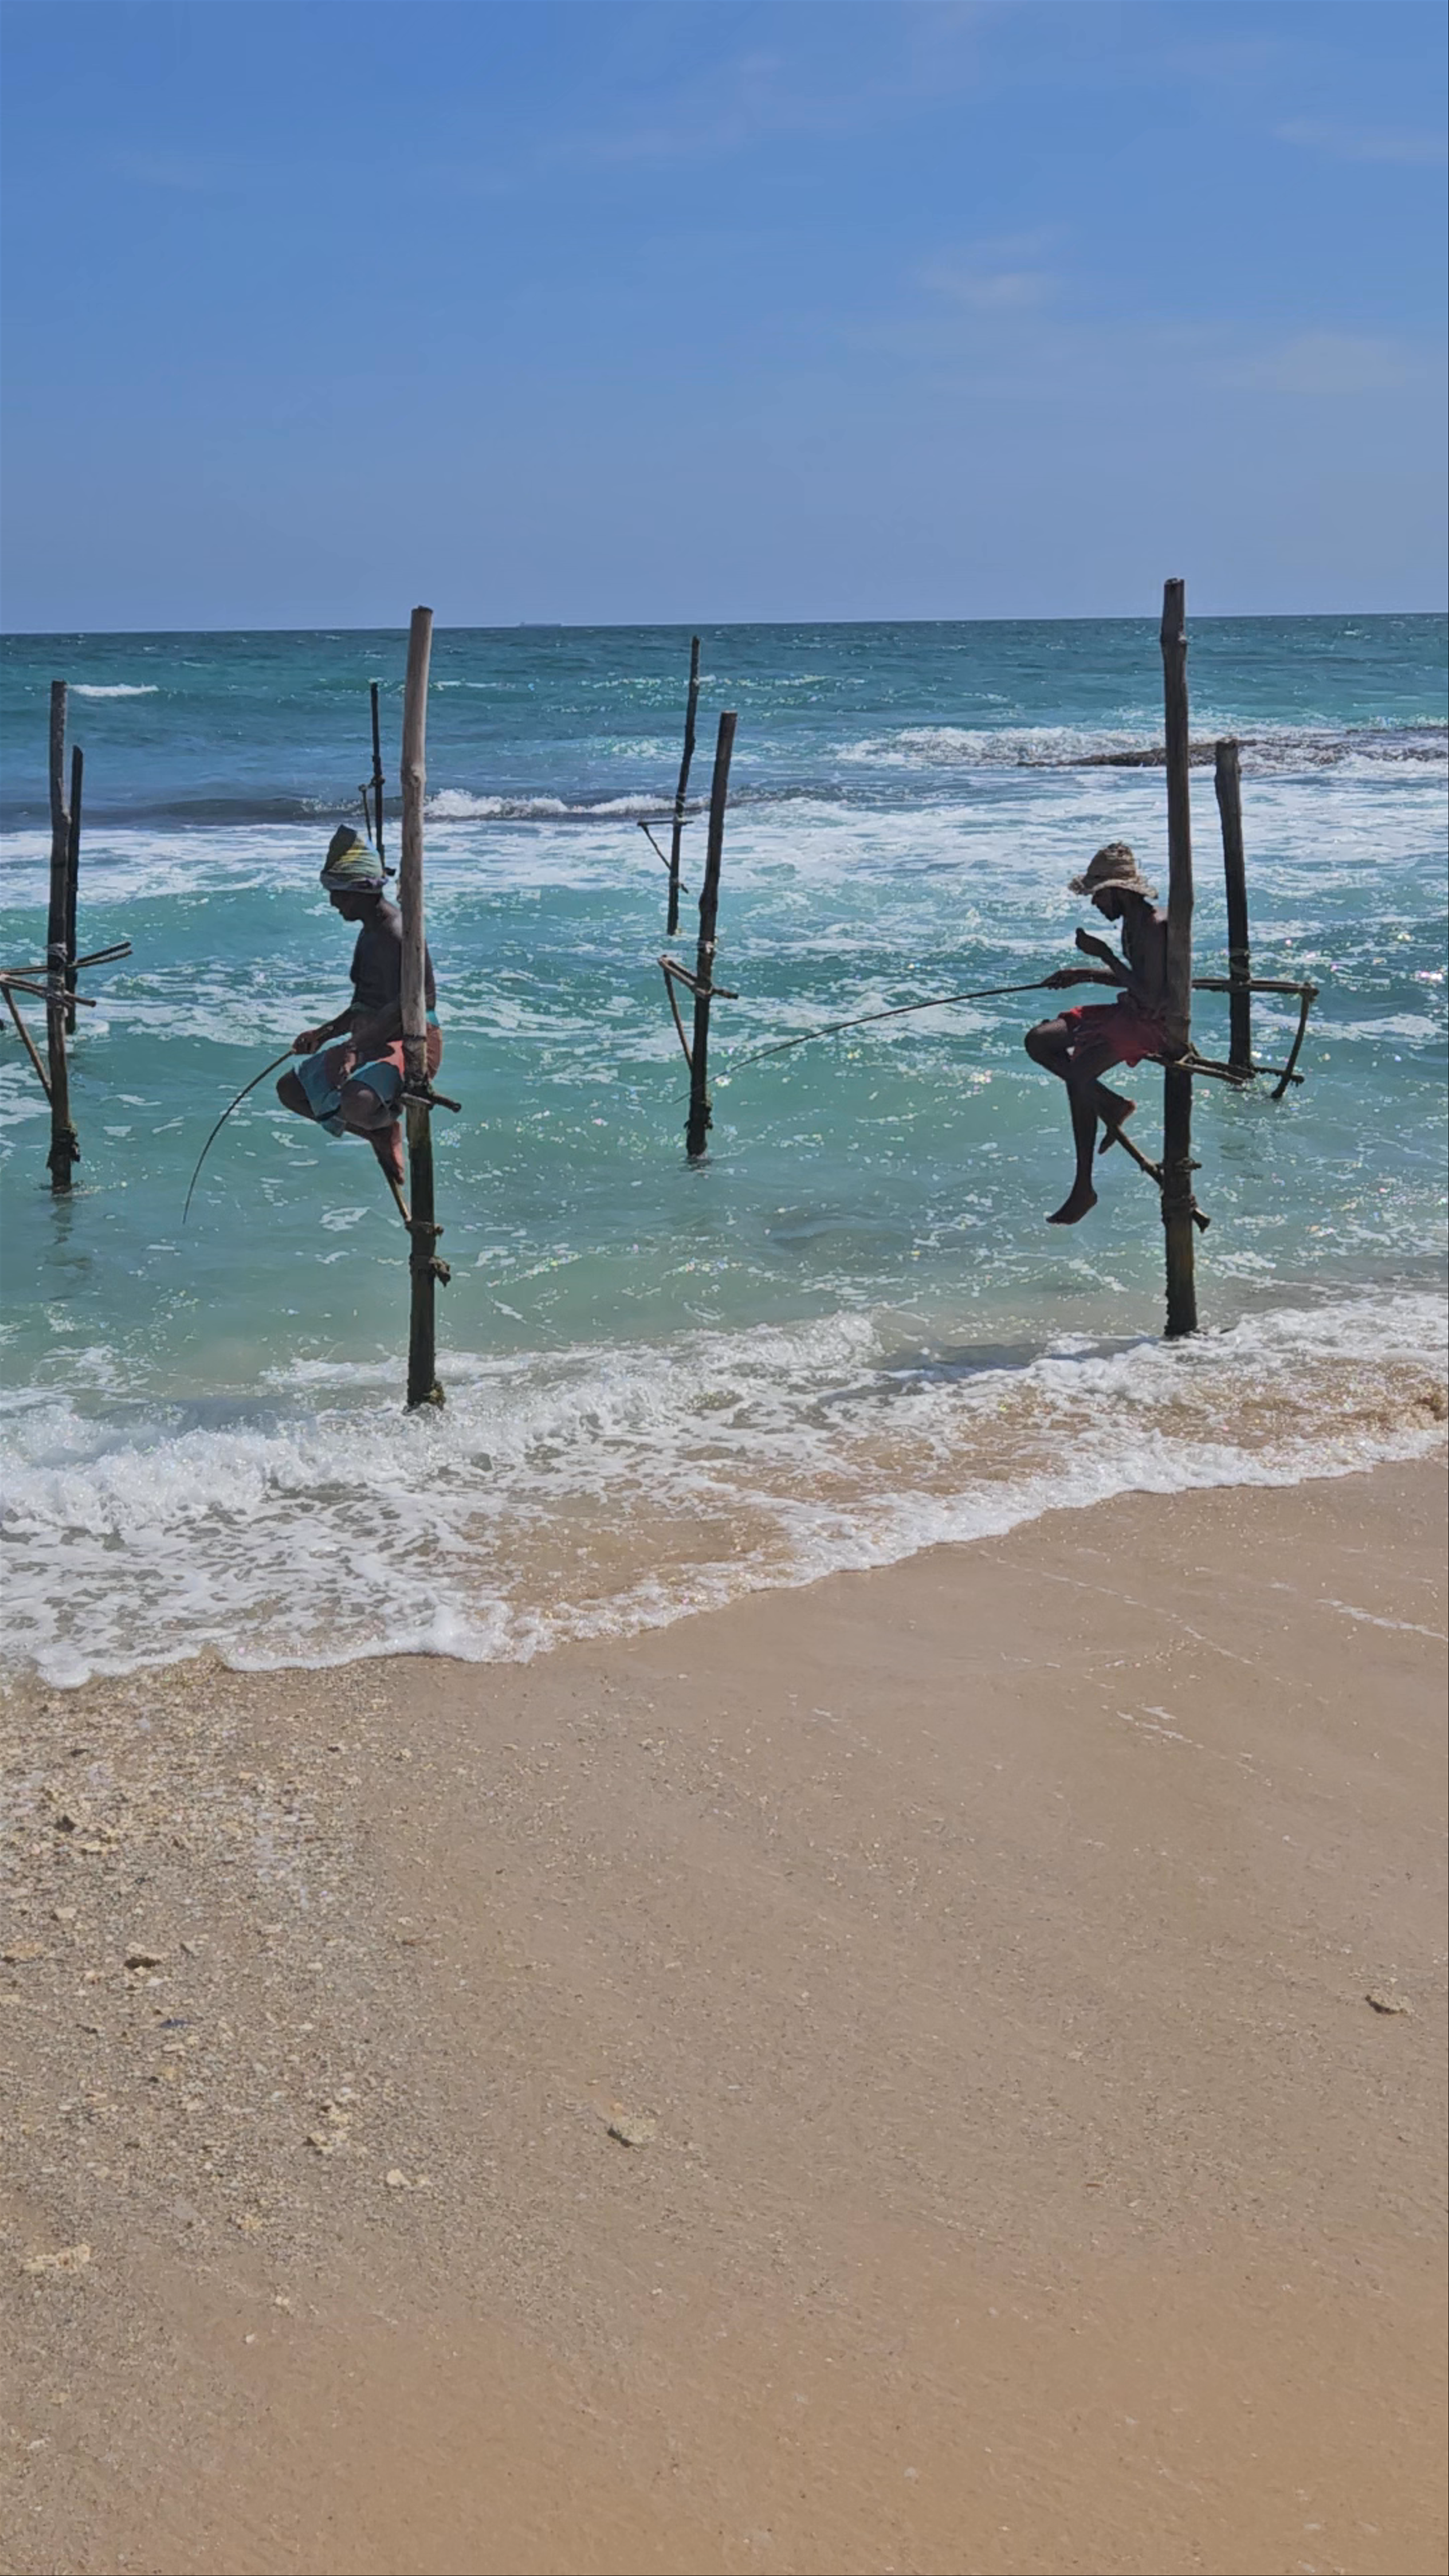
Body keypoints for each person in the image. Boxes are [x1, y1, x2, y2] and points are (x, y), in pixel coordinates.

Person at [277, 827, 441, 1191]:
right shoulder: (368, 932)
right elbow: (363, 1004)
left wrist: (353, 1048)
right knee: (291, 1090)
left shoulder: (398, 933)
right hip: (369, 1037)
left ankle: (383, 1123)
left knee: (357, 1102)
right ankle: (377, 1133)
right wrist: (324, 1034)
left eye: (339, 894)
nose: (334, 903)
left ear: (361, 892)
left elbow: (407, 1007)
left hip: (413, 1039)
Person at [1023, 841, 1169, 1226]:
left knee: (1078, 1077)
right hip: (1131, 1010)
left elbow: (1153, 997)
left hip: (1153, 1024)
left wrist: (1104, 955)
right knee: (1039, 1041)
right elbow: (1137, 981)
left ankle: (1083, 1187)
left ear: (1119, 892)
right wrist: (1083, 973)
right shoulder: (1133, 922)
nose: (1095, 904)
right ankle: (1111, 1103)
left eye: (1100, 896)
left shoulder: (1155, 927)